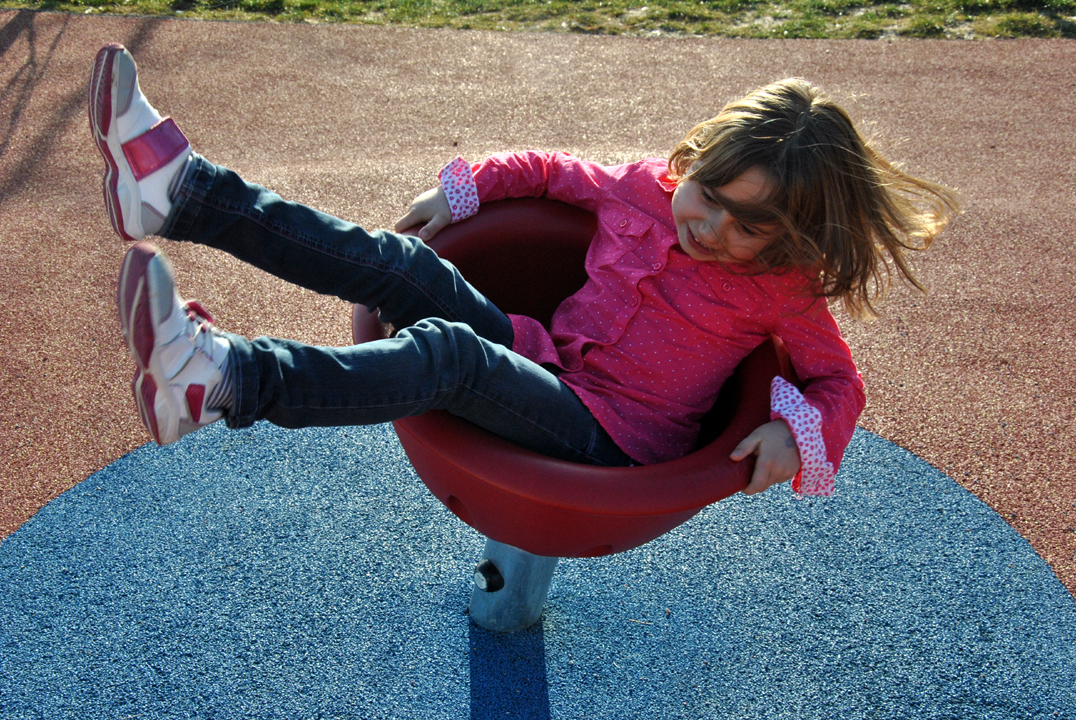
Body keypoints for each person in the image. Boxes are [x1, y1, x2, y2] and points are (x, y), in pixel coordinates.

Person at [89, 43, 958, 498]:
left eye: (749, 227)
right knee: (406, 265)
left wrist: (800, 436)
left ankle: (225, 382)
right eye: (709, 196)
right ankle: (182, 194)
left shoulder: (784, 290)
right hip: (538, 356)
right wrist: (462, 189)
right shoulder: (644, 190)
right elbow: (549, 170)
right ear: (693, 160)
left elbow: (839, 382)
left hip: (609, 440)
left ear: (790, 236)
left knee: (449, 355)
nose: (712, 228)